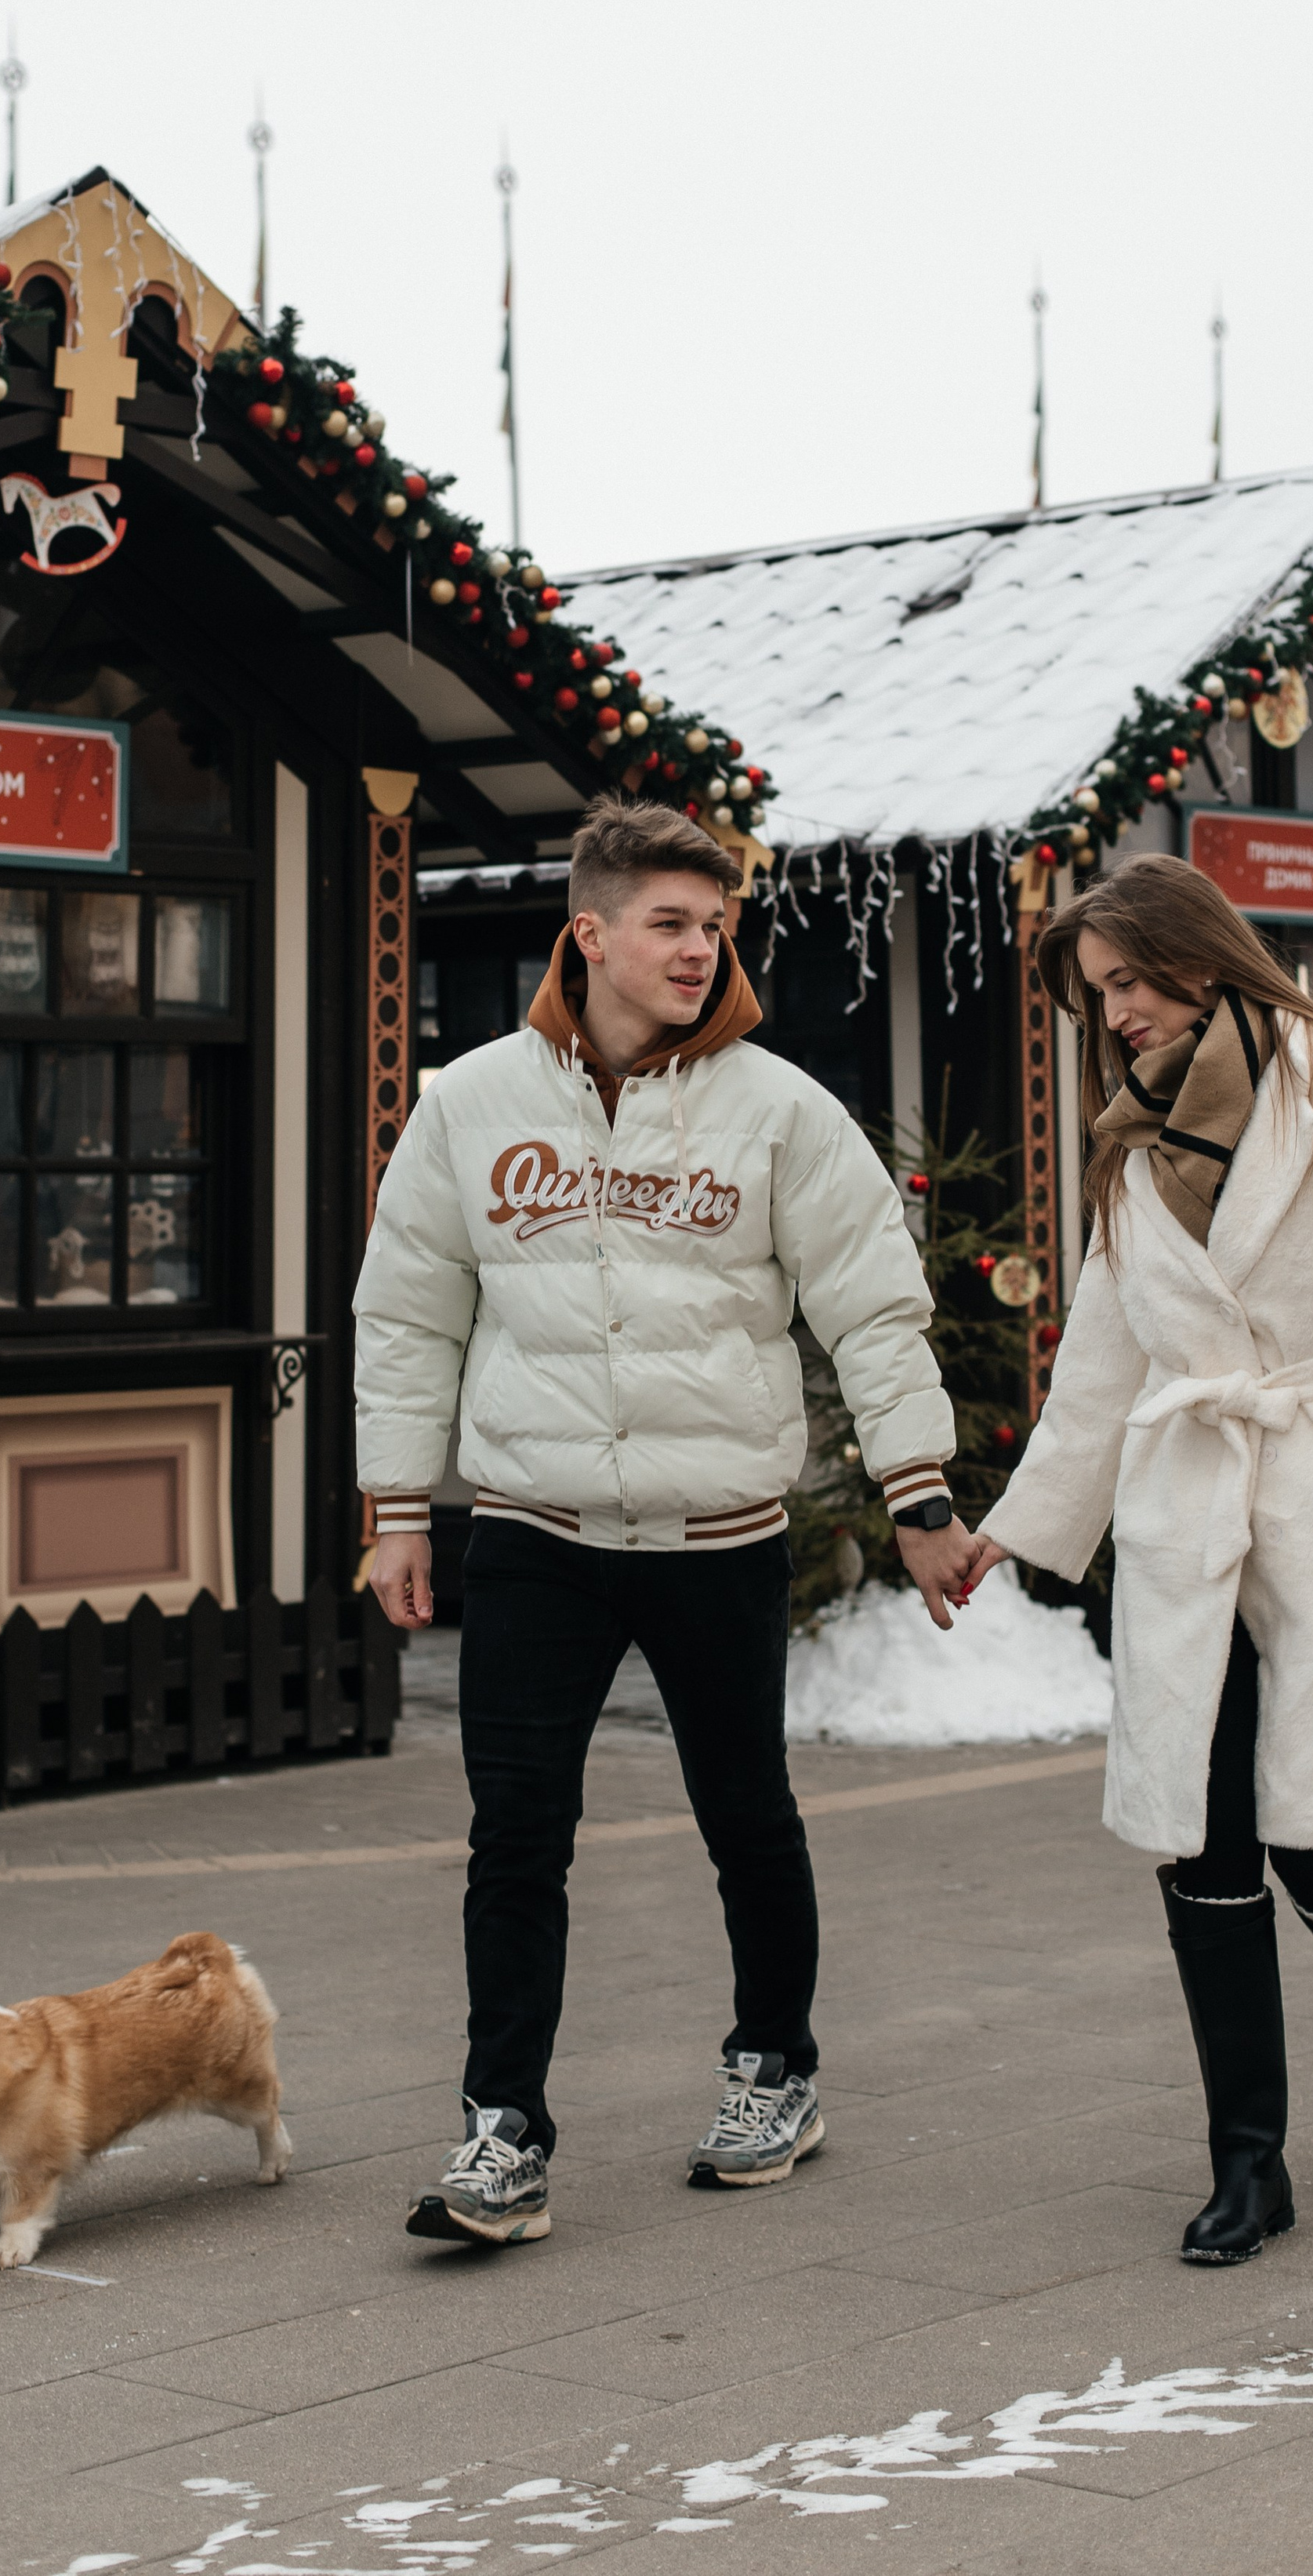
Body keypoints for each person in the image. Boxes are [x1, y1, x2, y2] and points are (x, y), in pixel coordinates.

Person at [355, 794, 977, 2247]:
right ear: (591, 934)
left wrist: (921, 1496)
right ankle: (502, 2130)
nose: (701, 950)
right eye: (670, 924)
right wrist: (398, 1510)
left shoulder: (780, 1110)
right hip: (535, 1533)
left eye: (715, 926)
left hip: (717, 1538)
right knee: (516, 1836)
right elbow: (408, 1315)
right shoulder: (471, 1104)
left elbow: (874, 1313)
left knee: (746, 1817)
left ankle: (776, 2068)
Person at [968, 852, 1313, 2265]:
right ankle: (1248, 2163)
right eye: (1095, 999)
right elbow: (1102, 1357)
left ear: (1198, 956)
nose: (1116, 1016)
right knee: (1200, 1839)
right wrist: (1021, 1529)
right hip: (1186, 1507)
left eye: (1126, 983)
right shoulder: (1125, 1145)